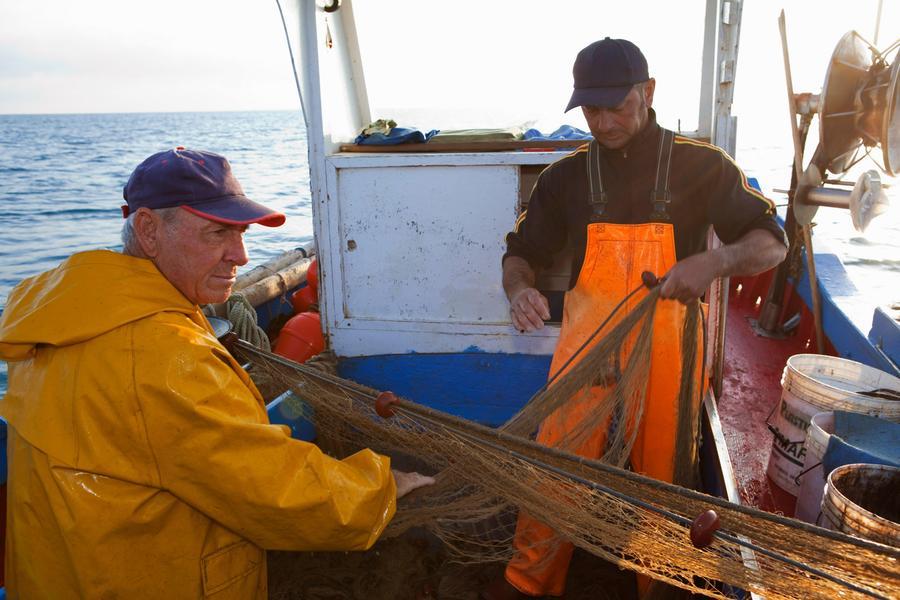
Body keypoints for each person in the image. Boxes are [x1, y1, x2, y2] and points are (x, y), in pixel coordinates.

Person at [0, 148, 434, 599]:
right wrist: (381, 486)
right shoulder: (163, 355)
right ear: (148, 229)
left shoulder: (62, 314)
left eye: (241, 233)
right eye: (216, 234)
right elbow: (275, 492)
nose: (242, 256)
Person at [487, 39, 788, 599]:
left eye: (615, 106)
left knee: (663, 480)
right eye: (590, 110)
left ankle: (658, 585)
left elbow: (773, 243)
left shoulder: (705, 167)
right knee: (556, 464)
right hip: (587, 351)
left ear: (648, 93)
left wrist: (715, 260)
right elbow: (519, 252)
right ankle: (528, 583)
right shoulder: (564, 179)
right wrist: (519, 288)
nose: (602, 122)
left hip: (670, 351)